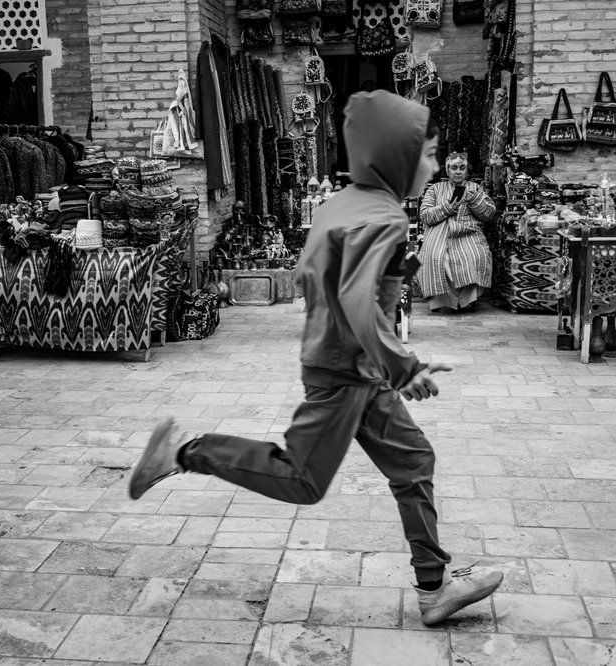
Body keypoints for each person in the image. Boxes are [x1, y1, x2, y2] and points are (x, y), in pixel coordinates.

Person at [128, 90, 503, 626]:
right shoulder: (383, 216)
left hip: (352, 365)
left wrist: (394, 289)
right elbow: (354, 298)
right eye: (427, 153)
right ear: (393, 155)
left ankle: (433, 585)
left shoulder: (345, 204)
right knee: (302, 479)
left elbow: (323, 279)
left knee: (413, 460)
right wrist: (404, 366)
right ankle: (185, 453)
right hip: (346, 372)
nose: (435, 165)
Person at [417, 152, 496, 313]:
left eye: (462, 168)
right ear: (448, 170)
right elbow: (425, 215)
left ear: (467, 171)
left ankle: (467, 301)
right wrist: (448, 207)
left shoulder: (475, 188)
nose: (458, 171)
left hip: (468, 233)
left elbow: (489, 214)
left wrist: (475, 200)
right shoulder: (435, 189)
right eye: (454, 168)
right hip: (440, 234)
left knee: (475, 255)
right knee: (436, 257)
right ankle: (444, 301)